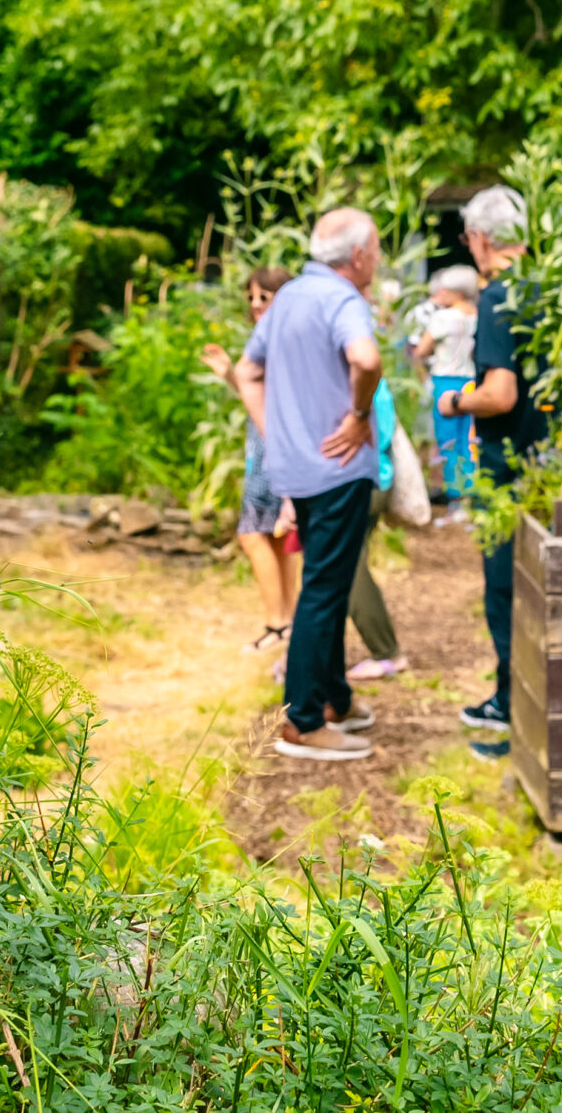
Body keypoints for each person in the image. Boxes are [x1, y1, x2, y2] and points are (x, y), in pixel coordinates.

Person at [232, 210, 386, 762]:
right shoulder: (342, 299)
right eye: (377, 248)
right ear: (359, 256)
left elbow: (246, 372)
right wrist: (359, 414)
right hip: (338, 468)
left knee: (329, 584)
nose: (380, 257)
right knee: (324, 590)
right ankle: (301, 719)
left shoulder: (291, 295)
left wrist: (278, 436)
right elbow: (366, 357)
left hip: (298, 467)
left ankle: (335, 700)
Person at [435, 186, 546, 744]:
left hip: (506, 471)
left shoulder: (501, 296)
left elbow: (500, 393)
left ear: (479, 239)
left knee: (505, 589)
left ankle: (510, 709)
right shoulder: (550, 287)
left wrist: (455, 401)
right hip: (550, 466)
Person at [201, 267, 299, 651]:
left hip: (274, 448)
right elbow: (258, 391)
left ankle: (277, 625)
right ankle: (286, 622)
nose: (256, 304)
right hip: (268, 445)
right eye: (251, 298)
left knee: (252, 533)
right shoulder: (277, 336)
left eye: (264, 296)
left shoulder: (279, 339)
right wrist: (230, 373)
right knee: (277, 535)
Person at [347, 378, 410, 680]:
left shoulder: (360, 378)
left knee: (348, 568)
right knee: (347, 564)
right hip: (372, 479)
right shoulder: (370, 379)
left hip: (365, 481)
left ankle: (386, 652)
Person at [414, 266, 482, 505]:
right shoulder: (477, 315)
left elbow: (422, 349)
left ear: (457, 292)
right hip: (472, 383)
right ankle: (472, 491)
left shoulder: (443, 317)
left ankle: (454, 492)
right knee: (469, 438)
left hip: (446, 381)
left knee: (448, 439)